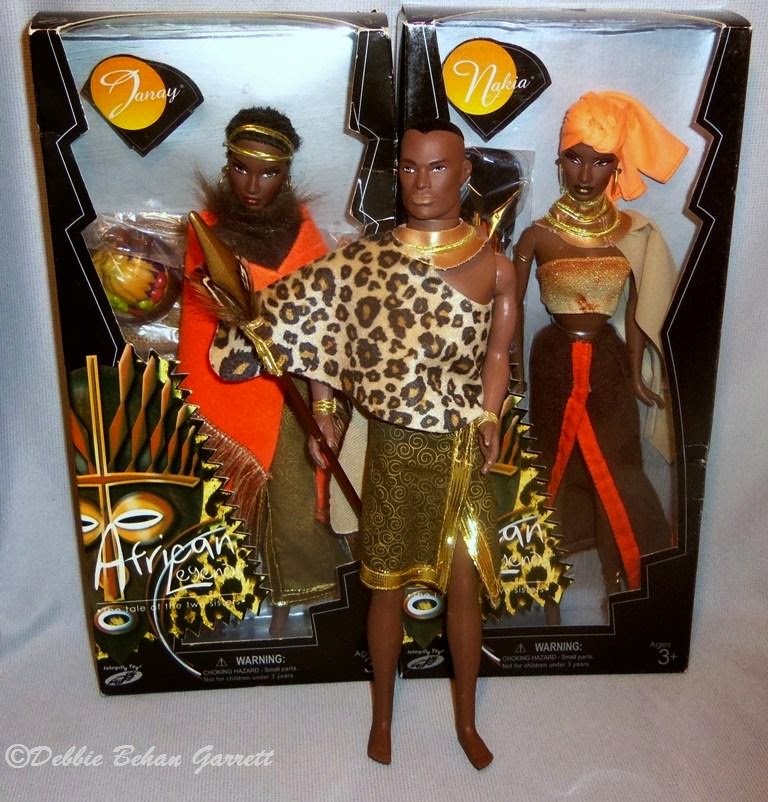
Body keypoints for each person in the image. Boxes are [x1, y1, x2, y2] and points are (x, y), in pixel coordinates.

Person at [192, 119, 517, 769]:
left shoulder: (494, 265)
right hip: (394, 447)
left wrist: (489, 417)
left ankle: (466, 720)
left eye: (437, 168)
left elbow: (499, 356)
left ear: (464, 174)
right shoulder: (365, 259)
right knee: (385, 583)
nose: (420, 182)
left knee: (464, 586)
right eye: (409, 167)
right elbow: (315, 323)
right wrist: (321, 407)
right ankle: (383, 717)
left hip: (460, 449)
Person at [178, 106, 348, 638]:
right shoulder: (206, 233)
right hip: (227, 391)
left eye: (269, 172)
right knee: (230, 502)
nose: (253, 185)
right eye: (241, 168)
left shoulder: (304, 236)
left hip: (296, 388)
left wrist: (324, 407)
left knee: (297, 502)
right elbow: (197, 329)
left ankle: (302, 602)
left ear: (286, 173)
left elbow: (324, 328)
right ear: (226, 164)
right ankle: (240, 602)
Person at [513, 91, 687, 596]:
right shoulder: (537, 235)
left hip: (609, 361)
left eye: (602, 162)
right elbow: (510, 309)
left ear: (617, 166)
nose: (586, 174)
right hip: (552, 360)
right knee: (551, 459)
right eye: (575, 159)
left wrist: (636, 372)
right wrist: (513, 368)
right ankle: (541, 576)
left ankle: (635, 574)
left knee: (619, 463)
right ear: (559, 161)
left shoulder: (631, 234)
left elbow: (635, 310)